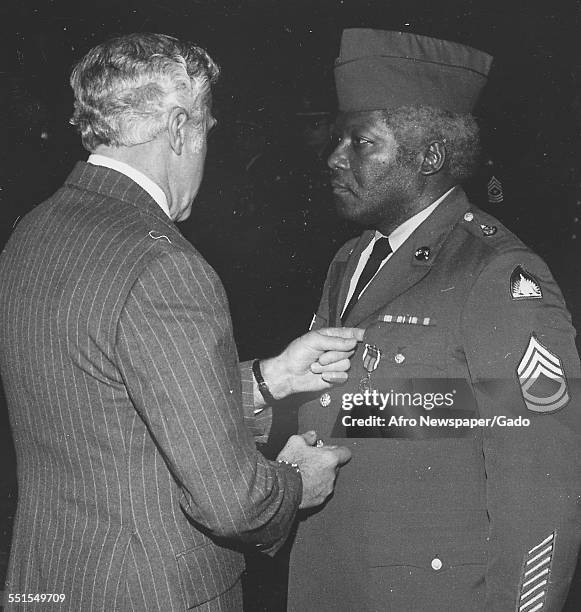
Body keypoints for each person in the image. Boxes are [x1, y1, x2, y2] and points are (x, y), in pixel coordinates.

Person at [0, 33, 361, 611]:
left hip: (50, 579)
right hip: (153, 591)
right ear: (176, 127)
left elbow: (108, 407)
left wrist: (268, 380)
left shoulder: (35, 231)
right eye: (207, 131)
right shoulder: (164, 263)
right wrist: (295, 483)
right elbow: (230, 502)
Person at [288, 28, 581, 611]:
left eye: (361, 142)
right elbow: (368, 415)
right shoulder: (352, 260)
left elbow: (540, 487)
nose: (334, 156)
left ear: (430, 157)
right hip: (339, 581)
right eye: (337, 138)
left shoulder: (496, 273)